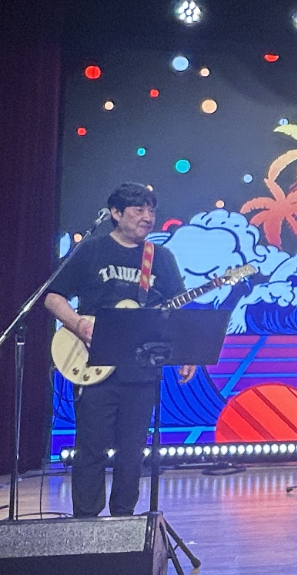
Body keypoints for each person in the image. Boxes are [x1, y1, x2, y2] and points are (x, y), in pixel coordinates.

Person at [45, 182, 196, 518]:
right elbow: (53, 297)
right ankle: (86, 520)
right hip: (93, 364)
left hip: (141, 369)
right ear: (115, 213)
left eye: (151, 211)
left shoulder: (160, 258)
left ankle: (124, 519)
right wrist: (79, 325)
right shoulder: (91, 250)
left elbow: (176, 309)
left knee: (132, 452)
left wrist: (185, 352)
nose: (147, 218)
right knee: (90, 449)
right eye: (138, 210)